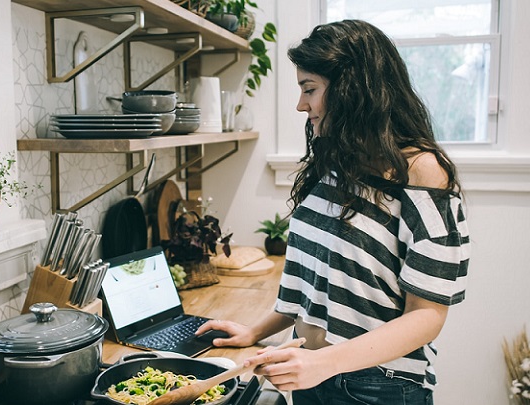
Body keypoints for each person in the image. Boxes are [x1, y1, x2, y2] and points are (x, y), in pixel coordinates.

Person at [195, 19, 470, 404]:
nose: (300, 104)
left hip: (376, 388)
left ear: (353, 90)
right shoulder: (339, 161)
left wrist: (324, 364)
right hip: (310, 374)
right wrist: (255, 331)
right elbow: (316, 278)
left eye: (310, 89)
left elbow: (427, 317)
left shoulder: (423, 172)